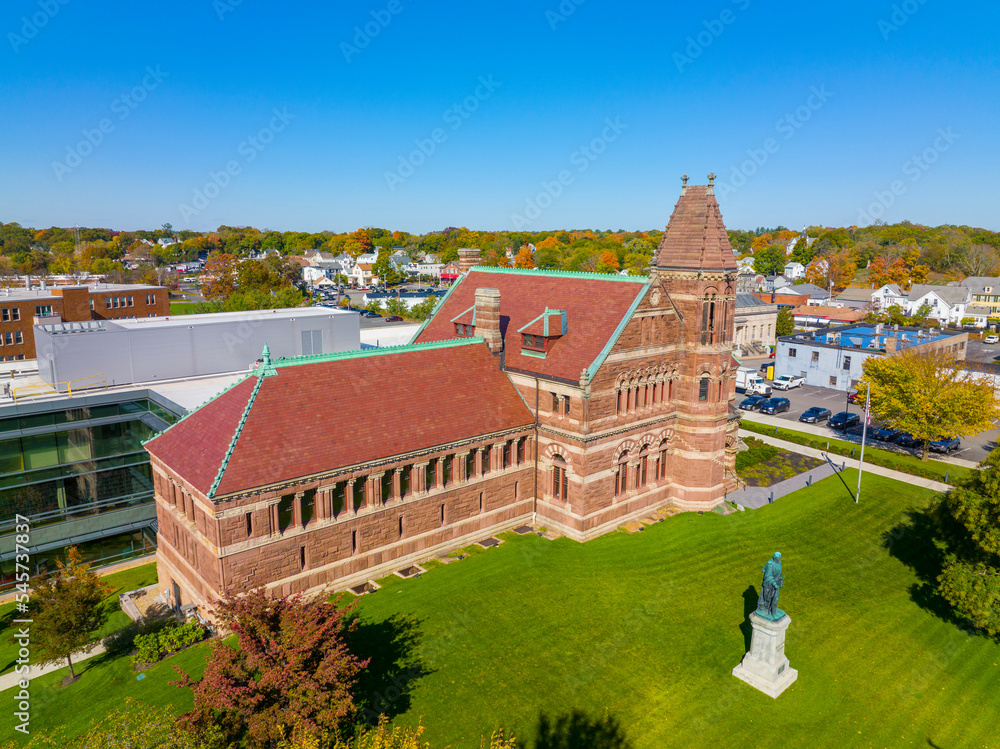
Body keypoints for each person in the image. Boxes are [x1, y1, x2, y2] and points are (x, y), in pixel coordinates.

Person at [756, 552, 785, 619]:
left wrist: (780, 580)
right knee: (771, 598)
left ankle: (773, 612)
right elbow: (768, 576)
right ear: (774, 558)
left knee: (775, 598)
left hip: (776, 584)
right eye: (776, 558)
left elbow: (779, 573)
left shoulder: (779, 563)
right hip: (770, 585)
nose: (777, 559)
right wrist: (774, 584)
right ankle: (771, 612)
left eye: (779, 558)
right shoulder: (770, 565)